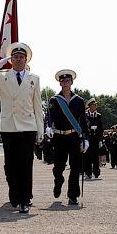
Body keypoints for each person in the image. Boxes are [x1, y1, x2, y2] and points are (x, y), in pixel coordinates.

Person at [0, 42, 44, 214]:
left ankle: (25, 199)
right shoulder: (1, 76)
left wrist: (40, 130)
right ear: (10, 60)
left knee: (26, 165)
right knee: (11, 165)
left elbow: (37, 106)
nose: (18, 59)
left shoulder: (33, 78)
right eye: (15, 57)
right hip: (9, 126)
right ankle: (14, 192)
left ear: (26, 59)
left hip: (28, 126)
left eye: (21, 57)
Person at [45, 69, 90, 206]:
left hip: (74, 137)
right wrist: (47, 126)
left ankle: (73, 195)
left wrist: (86, 138)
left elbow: (83, 120)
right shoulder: (54, 99)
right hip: (59, 137)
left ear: (72, 82)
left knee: (75, 167)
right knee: (58, 167)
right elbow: (49, 116)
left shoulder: (79, 100)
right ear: (60, 83)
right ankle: (58, 181)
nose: (65, 83)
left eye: (67, 80)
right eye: (63, 81)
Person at [84, 99, 104, 180]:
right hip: (88, 138)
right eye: (94, 105)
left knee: (95, 156)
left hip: (95, 138)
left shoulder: (98, 115)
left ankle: (96, 172)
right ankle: (88, 172)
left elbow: (101, 128)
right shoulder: (85, 115)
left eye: (96, 105)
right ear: (90, 106)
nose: (96, 106)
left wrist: (100, 139)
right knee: (87, 156)